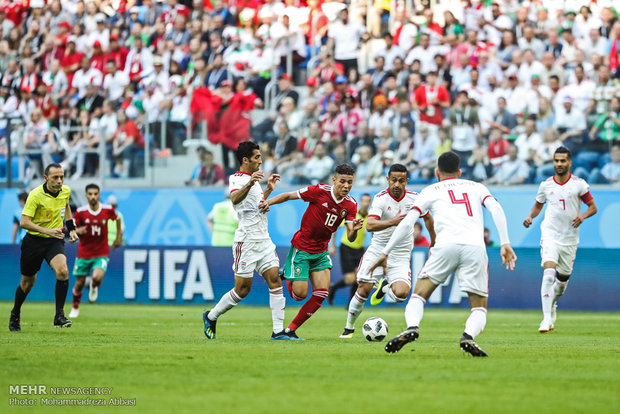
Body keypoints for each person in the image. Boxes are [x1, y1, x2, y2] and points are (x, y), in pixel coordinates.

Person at [370, 152, 516, 357]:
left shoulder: (430, 190)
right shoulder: (476, 187)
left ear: (437, 172)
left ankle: (412, 327)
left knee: (419, 295)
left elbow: (407, 223)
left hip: (445, 245)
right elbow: (496, 208)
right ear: (460, 172)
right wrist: (505, 242)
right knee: (479, 308)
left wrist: (385, 252)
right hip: (475, 247)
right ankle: (468, 336)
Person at [259, 164, 364, 340]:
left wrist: (354, 230)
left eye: (350, 183)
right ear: (334, 180)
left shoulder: (351, 204)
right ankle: (288, 272)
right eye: (343, 181)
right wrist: (268, 202)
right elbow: (288, 195)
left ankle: (290, 330)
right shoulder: (319, 191)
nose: (346, 186)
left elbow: (351, 236)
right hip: (302, 247)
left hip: (321, 251)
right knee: (299, 295)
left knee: (322, 293)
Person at [202, 141, 289, 340]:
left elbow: (256, 206)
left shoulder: (255, 180)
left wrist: (268, 191)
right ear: (245, 160)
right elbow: (235, 200)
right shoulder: (237, 179)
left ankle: (278, 332)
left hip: (263, 240)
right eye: (257, 157)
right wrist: (250, 183)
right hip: (246, 241)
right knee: (242, 289)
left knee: (275, 280)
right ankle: (211, 315)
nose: (260, 161)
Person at [339, 164, 435, 339]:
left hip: (400, 254)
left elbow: (427, 217)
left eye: (401, 180)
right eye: (394, 180)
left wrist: (434, 241)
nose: (397, 184)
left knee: (401, 294)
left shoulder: (415, 198)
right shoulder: (380, 199)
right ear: (387, 180)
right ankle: (349, 328)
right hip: (377, 250)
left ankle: (384, 288)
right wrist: (394, 221)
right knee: (364, 289)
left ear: (407, 181)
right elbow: (370, 225)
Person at [523, 146, 597, 333]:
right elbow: (538, 205)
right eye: (556, 160)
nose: (559, 164)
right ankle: (546, 319)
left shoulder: (579, 184)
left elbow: (592, 207)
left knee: (561, 284)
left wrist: (582, 216)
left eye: (563, 161)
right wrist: (531, 217)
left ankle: (552, 304)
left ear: (570, 162)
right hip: (550, 234)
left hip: (569, 239)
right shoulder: (546, 185)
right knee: (548, 274)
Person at [9, 163, 79, 332]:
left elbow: (66, 206)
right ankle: (15, 312)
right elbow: (24, 222)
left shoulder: (65, 191)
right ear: (46, 178)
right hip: (33, 242)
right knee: (27, 284)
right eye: (55, 177)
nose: (59, 181)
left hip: (54, 241)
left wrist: (72, 229)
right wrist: (48, 230)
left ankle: (59, 315)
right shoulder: (35, 195)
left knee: (62, 271)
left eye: (62, 177)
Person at [69, 184, 122, 318]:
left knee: (97, 278)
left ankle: (93, 285)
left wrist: (118, 237)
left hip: (101, 251)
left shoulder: (107, 209)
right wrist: (77, 231)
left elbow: (118, 219)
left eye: (95, 194)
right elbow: (72, 227)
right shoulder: (81, 211)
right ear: (86, 195)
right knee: (79, 283)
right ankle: (75, 307)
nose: (93, 196)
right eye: (90, 194)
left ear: (99, 195)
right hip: (84, 252)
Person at [327, 193, 372, 305]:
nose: (365, 203)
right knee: (351, 278)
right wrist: (332, 245)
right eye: (364, 201)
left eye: (368, 201)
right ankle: (333, 287)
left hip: (359, 249)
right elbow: (336, 227)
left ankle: (350, 304)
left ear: (370, 203)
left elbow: (373, 233)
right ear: (360, 202)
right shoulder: (353, 213)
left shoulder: (371, 216)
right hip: (346, 247)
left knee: (359, 278)